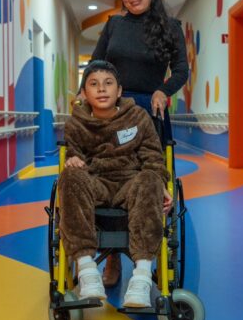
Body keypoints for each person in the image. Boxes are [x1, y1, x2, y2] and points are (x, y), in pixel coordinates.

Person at [92, 0, 189, 287]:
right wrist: (85, 93)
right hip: (113, 110)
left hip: (150, 108)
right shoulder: (114, 25)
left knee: (150, 180)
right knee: (111, 177)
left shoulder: (170, 27)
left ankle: (151, 255)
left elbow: (181, 70)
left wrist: (164, 90)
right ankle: (112, 258)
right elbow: (96, 64)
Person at [59, 60, 172, 307]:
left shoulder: (138, 116)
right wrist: (74, 160)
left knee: (150, 178)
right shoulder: (76, 124)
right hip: (96, 182)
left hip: (131, 182)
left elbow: (153, 157)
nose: (101, 89)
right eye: (94, 84)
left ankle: (142, 277)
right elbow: (75, 155)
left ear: (119, 90)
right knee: (69, 176)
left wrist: (160, 183)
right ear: (84, 93)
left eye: (108, 83)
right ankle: (87, 272)